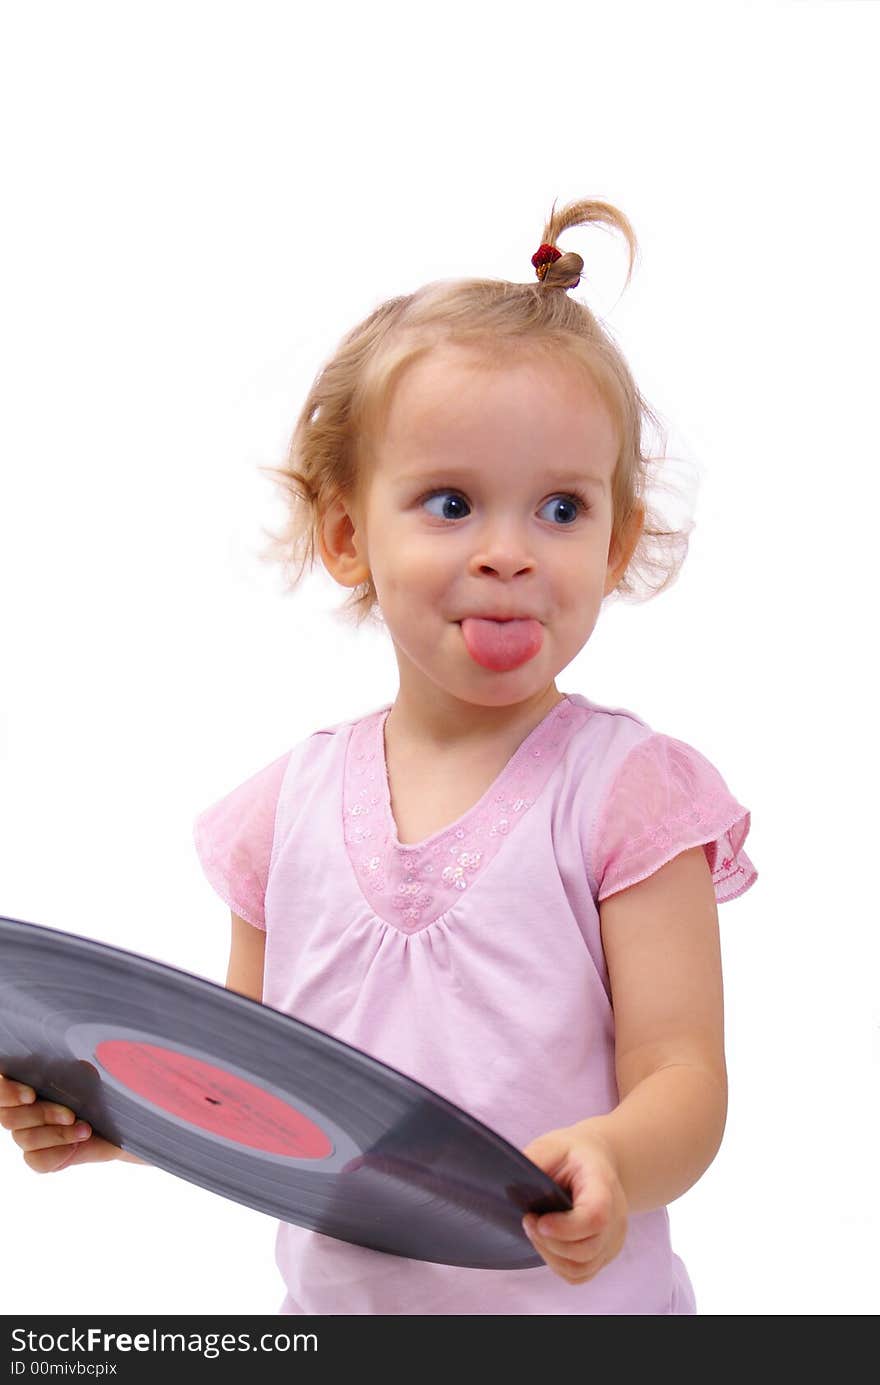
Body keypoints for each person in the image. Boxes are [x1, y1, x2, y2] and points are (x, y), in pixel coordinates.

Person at [0, 196, 757, 1314]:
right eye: (449, 503)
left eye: (559, 507)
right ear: (349, 533)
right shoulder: (282, 811)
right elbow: (253, 1088)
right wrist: (122, 1120)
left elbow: (683, 1076)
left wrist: (615, 1154)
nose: (506, 553)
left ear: (615, 541)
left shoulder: (627, 797)